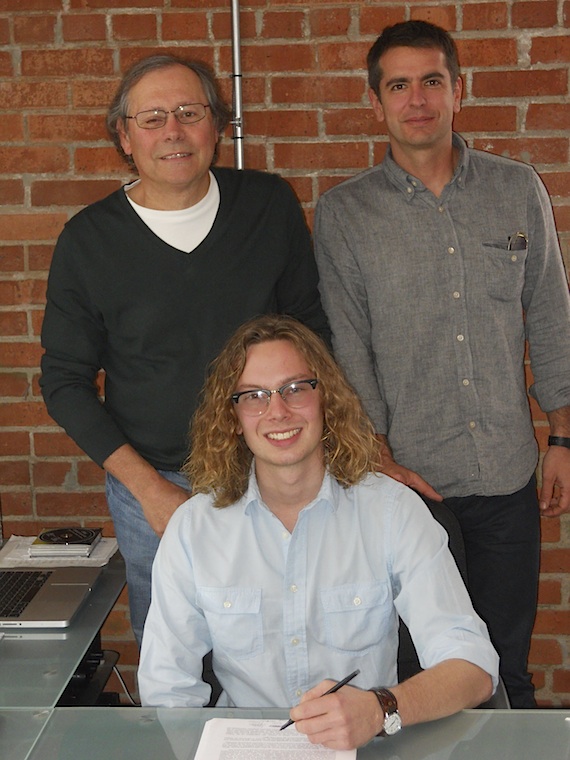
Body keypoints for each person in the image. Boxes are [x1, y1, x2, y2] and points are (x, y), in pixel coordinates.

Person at [313, 20, 570, 709]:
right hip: (404, 491)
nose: (417, 98)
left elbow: (549, 316)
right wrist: (380, 462)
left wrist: (563, 438)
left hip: (505, 476)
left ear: (459, 90)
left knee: (505, 668)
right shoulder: (345, 213)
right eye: (399, 85)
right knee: (414, 676)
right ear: (377, 103)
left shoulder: (518, 191)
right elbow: (348, 345)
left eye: (432, 81)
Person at [40, 54, 330, 647]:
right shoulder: (89, 240)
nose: (172, 131)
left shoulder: (268, 207)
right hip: (156, 486)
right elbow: (64, 382)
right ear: (124, 136)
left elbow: (311, 334)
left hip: (271, 475)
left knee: (286, 642)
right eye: (151, 118)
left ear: (217, 126)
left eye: (188, 112)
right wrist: (149, 490)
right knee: (175, 653)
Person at [138, 315, 498, 750]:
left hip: (368, 748)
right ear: (232, 418)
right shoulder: (194, 529)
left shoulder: (392, 512)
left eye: (295, 388)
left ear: (325, 397)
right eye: (254, 396)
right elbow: (168, 690)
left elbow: (474, 666)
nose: (278, 411)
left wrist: (381, 708)